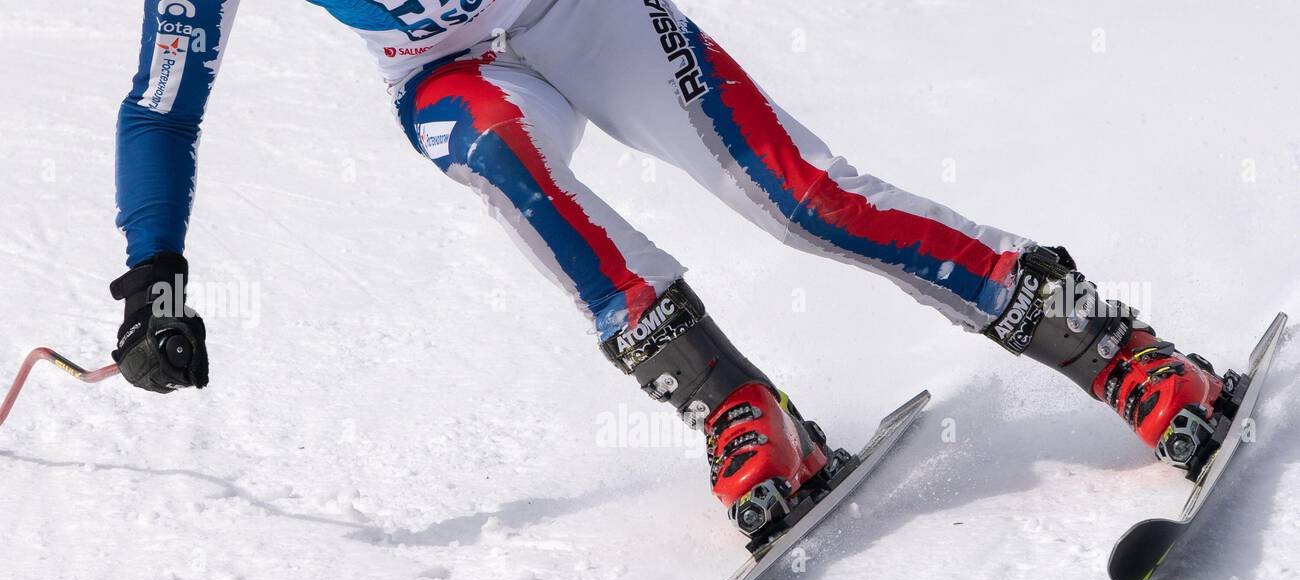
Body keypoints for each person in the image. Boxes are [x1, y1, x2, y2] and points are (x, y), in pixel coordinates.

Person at [113, 0, 1225, 538]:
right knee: (481, 146)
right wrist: (153, 274)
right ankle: (741, 409)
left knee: (804, 201)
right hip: (445, 68)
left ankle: (1109, 342)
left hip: (582, 16)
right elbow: (163, 103)